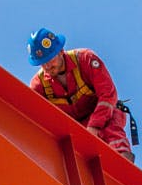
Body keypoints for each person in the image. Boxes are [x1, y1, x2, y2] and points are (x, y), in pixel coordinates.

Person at [28, 28, 134, 162]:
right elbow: (36, 120)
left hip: (102, 115)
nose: (47, 66)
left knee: (110, 126)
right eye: (43, 63)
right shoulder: (39, 86)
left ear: (61, 51)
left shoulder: (85, 59)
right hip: (75, 130)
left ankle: (123, 162)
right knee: (72, 151)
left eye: (50, 59)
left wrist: (94, 126)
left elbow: (108, 94)